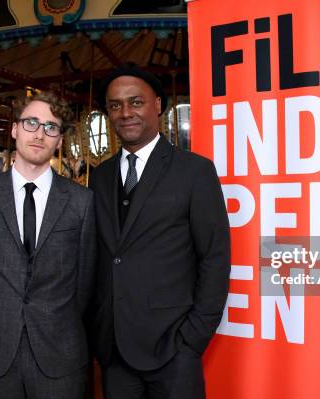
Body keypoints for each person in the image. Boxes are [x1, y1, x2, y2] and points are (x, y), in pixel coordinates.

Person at [89, 65, 231, 399]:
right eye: (115, 105)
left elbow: (215, 256)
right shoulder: (100, 177)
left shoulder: (195, 171)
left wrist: (193, 338)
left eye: (135, 102)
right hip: (114, 350)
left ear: (157, 105)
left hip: (174, 349)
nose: (126, 113)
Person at [0, 92, 96, 399]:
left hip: (60, 352)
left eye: (51, 127)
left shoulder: (81, 201)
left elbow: (85, 280)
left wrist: (57, 317)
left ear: (59, 140)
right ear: (15, 129)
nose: (39, 133)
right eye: (32, 122)